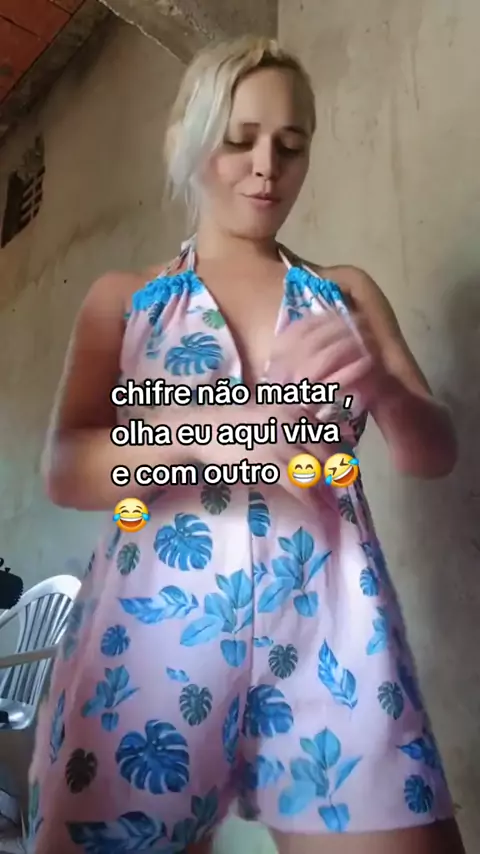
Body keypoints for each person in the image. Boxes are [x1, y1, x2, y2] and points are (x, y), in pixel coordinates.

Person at [28, 35, 465, 854]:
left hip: (335, 631)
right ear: (187, 141)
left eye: (291, 146)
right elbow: (66, 468)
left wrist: (382, 385)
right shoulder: (126, 300)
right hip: (150, 641)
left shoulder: (344, 295)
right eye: (240, 140)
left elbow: (431, 451)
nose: (267, 168)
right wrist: (205, 436)